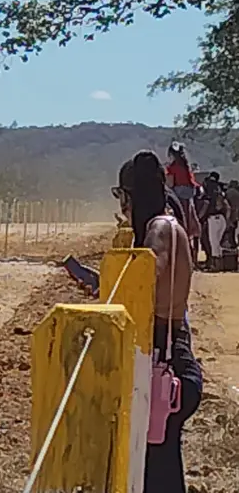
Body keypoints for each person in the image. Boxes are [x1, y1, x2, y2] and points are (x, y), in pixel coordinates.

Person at [114, 151, 202, 491]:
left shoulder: (159, 228)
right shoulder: (168, 223)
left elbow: (148, 276)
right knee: (162, 470)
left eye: (122, 195)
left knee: (156, 475)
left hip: (165, 366)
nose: (122, 205)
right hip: (175, 358)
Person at [165, 142, 201, 261]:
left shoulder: (171, 168)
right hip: (189, 195)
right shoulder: (187, 167)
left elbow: (170, 184)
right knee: (191, 214)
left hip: (178, 194)